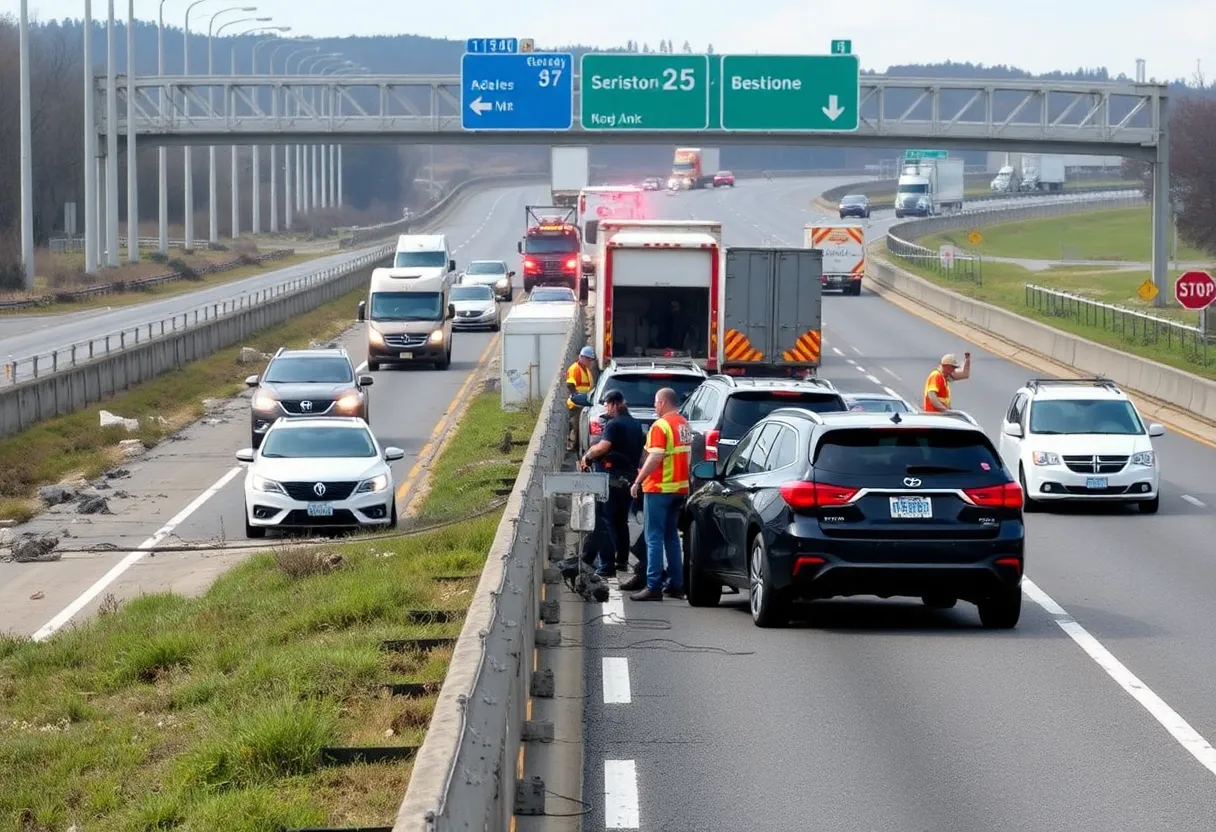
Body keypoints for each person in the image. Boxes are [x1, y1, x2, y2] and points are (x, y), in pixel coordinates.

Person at [628, 387, 692, 601]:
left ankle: (653, 585)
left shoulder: (660, 426)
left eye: (656, 403)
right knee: (671, 537)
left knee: (653, 537)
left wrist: (638, 480)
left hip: (659, 488)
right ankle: (676, 584)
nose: (655, 407)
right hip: (678, 488)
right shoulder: (683, 424)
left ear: (663, 403)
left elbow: (654, 457)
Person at [578, 389, 646, 578]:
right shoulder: (634, 424)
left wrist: (588, 455)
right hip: (628, 480)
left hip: (611, 479)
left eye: (607, 404)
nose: (606, 408)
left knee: (606, 522)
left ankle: (606, 566)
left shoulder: (614, 425)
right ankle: (622, 561)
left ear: (615, 404)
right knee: (620, 521)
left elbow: (603, 447)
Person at [565, 346, 596, 451]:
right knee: (575, 426)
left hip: (584, 403)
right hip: (576, 404)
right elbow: (570, 384)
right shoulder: (575, 369)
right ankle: (572, 446)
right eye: (588, 359)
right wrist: (576, 397)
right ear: (582, 357)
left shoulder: (586, 370)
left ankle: (577, 446)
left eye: (591, 360)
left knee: (581, 427)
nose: (590, 362)